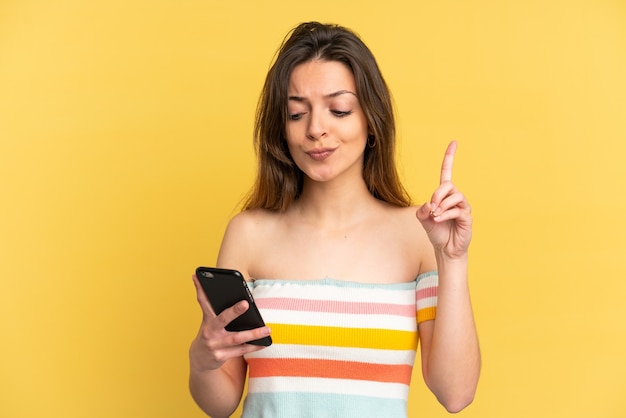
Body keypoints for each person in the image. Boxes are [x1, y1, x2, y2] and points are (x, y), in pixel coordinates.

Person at [189, 21, 480, 417]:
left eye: (338, 109)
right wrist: (203, 360)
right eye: (296, 114)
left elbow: (456, 393)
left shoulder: (418, 235)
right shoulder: (249, 234)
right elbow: (220, 404)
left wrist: (453, 260)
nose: (315, 129)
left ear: (370, 122)